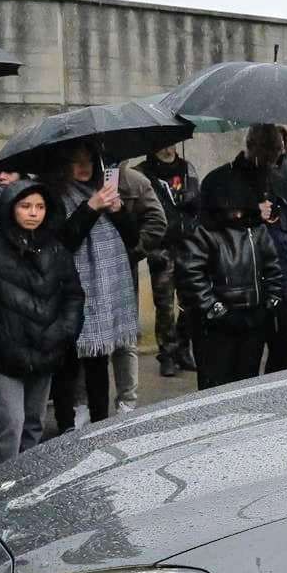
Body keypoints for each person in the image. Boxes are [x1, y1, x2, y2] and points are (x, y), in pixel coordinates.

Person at [0, 180, 84, 465]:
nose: (33, 213)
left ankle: (26, 486)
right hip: (2, 353)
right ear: (10, 207)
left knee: (33, 424)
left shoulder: (54, 248)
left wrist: (63, 331)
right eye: (25, 206)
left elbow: (73, 295)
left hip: (46, 348)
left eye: (39, 207)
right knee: (9, 425)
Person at [45, 144, 138, 431]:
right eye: (76, 161)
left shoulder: (105, 191)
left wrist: (119, 211)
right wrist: (91, 208)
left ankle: (99, 424)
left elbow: (132, 238)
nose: (84, 167)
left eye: (88, 161)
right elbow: (63, 241)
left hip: (106, 294)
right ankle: (67, 426)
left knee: (99, 363)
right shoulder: (55, 197)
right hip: (71, 291)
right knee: (68, 366)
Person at [175, 166, 286, 390]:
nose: (236, 212)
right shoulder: (203, 232)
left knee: (246, 385)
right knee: (216, 387)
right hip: (215, 328)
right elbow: (192, 276)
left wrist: (269, 304)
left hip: (252, 321)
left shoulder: (256, 230)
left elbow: (272, 268)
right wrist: (217, 310)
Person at [201, 124, 287, 375]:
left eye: (276, 152)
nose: (271, 159)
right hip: (235, 284)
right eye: (267, 151)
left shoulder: (278, 181)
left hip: (277, 277)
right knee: (238, 367)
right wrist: (251, 213)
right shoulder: (220, 181)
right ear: (251, 146)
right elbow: (208, 225)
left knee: (283, 347)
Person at [107, 161, 168, 414]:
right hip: (84, 271)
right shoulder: (73, 179)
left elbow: (157, 222)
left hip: (121, 269)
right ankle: (83, 405)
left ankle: (127, 402)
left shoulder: (135, 182)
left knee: (125, 338)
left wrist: (132, 252)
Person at [137, 144, 199, 375]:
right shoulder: (143, 172)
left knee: (190, 300)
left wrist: (190, 197)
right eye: (162, 145)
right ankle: (167, 354)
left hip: (187, 243)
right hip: (160, 247)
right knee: (164, 305)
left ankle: (184, 348)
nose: (168, 149)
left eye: (171, 144)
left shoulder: (186, 168)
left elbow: (197, 198)